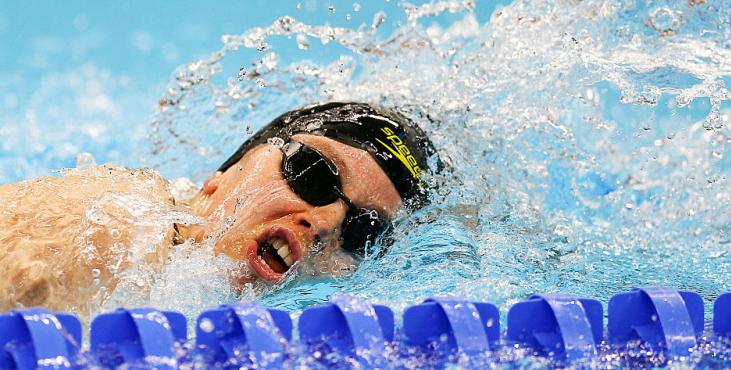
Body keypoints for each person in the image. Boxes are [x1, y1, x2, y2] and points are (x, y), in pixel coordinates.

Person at [0, 102, 437, 315]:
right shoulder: (107, 227)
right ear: (223, 173)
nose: (324, 222)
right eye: (315, 173)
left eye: (363, 230)